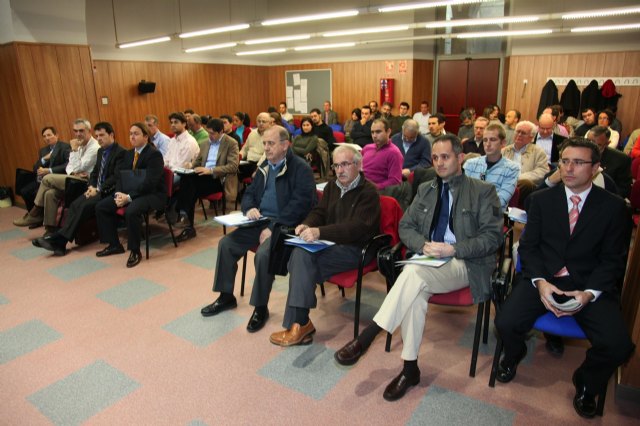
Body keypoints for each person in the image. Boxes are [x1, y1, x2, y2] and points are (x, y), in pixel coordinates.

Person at [334, 134, 503, 402]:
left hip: (465, 263)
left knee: (412, 273)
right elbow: (405, 227)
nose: (438, 162)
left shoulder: (483, 191)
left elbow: (493, 238)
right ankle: (410, 369)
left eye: (445, 157)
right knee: (415, 292)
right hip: (429, 262)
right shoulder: (426, 189)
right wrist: (423, 245)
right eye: (435, 157)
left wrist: (453, 249)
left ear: (460, 158)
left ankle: (369, 335)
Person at [495, 138, 634, 419]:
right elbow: (530, 248)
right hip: (543, 279)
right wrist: (541, 283)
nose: (569, 168)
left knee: (619, 345)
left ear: (595, 168)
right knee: (505, 322)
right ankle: (514, 354)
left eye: (579, 162)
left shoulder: (614, 207)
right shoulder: (541, 201)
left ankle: (586, 382)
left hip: (588, 284)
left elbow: (613, 260)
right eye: (565, 161)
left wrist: (588, 294)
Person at [200, 125, 316, 332]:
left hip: (287, 225)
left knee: (263, 255)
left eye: (271, 143)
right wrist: (250, 207)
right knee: (226, 244)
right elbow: (249, 194)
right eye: (264, 144)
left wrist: (274, 228)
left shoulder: (300, 169)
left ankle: (260, 307)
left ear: (285, 145)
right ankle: (226, 296)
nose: (266, 148)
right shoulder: (265, 166)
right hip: (261, 221)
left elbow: (300, 205)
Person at [270, 145, 380, 346]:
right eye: (336, 165)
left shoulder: (369, 192)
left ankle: (300, 324)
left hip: (356, 249)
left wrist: (320, 232)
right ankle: (300, 323)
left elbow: (356, 228)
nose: (339, 170)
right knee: (300, 256)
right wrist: (308, 224)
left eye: (345, 164)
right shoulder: (332, 186)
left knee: (300, 262)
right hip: (331, 245)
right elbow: (320, 212)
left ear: (358, 165)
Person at [33, 122, 125, 255]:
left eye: (102, 135)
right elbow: (94, 173)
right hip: (96, 188)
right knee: (75, 204)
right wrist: (92, 186)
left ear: (111, 135)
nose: (99, 138)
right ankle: (60, 243)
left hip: (110, 191)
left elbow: (115, 177)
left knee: (84, 206)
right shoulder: (101, 151)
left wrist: (98, 189)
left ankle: (59, 240)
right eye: (97, 135)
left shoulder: (120, 152)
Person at [94, 122, 166, 268]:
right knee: (101, 206)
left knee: (132, 211)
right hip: (129, 193)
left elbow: (150, 183)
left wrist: (129, 197)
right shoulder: (128, 154)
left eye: (136, 133)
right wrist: (119, 194)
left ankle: (135, 251)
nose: (132, 136)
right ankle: (114, 244)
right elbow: (120, 177)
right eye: (130, 133)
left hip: (152, 194)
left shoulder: (154, 155)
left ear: (146, 136)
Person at [14, 119, 99, 232]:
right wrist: (73, 172)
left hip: (86, 183)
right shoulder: (79, 144)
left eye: (81, 131)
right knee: (50, 193)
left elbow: (78, 166)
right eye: (75, 131)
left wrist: (73, 151)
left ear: (89, 131)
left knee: (47, 178)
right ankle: (50, 229)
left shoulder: (94, 147)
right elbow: (69, 167)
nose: (78, 134)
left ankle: (35, 212)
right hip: (74, 178)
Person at [174, 118, 240, 242]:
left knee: (189, 184)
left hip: (216, 179)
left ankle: (184, 216)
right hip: (201, 177)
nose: (209, 136)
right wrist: (190, 166)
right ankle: (188, 225)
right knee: (187, 180)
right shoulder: (205, 143)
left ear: (221, 132)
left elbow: (233, 166)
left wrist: (210, 170)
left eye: (212, 133)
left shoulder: (231, 143)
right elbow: (198, 161)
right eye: (208, 132)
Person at [463, 123, 519, 210]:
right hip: (468, 213)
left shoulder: (512, 168)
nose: (488, 144)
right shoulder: (470, 164)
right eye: (485, 140)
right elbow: (462, 193)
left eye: (493, 140)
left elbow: (501, 201)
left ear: (503, 143)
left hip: (492, 217)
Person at [16, 126, 70, 215]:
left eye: (49, 135)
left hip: (56, 178)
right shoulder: (43, 150)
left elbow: (68, 164)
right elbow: (35, 168)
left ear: (56, 135)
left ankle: (37, 214)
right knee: (24, 191)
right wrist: (43, 159)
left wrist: (49, 170)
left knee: (40, 193)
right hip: (41, 179)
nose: (47, 138)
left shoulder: (65, 147)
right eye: (44, 136)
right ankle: (33, 215)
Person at [502, 120, 549, 203]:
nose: (519, 135)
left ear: (531, 137)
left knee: (525, 183)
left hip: (526, 186)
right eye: (518, 132)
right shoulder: (504, 151)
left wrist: (518, 178)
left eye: (523, 133)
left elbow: (542, 171)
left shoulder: (538, 152)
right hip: (505, 183)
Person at [587, 125, 632, 199]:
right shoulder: (577, 154)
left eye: (597, 145)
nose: (591, 147)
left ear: (607, 143)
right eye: (588, 142)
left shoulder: (622, 160)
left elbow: (624, 190)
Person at [361, 119, 403, 190]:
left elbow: (395, 181)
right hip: (359, 186)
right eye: (372, 132)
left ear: (388, 132)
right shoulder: (366, 148)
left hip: (376, 191)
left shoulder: (394, 153)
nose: (374, 136)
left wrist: (376, 187)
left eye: (378, 132)